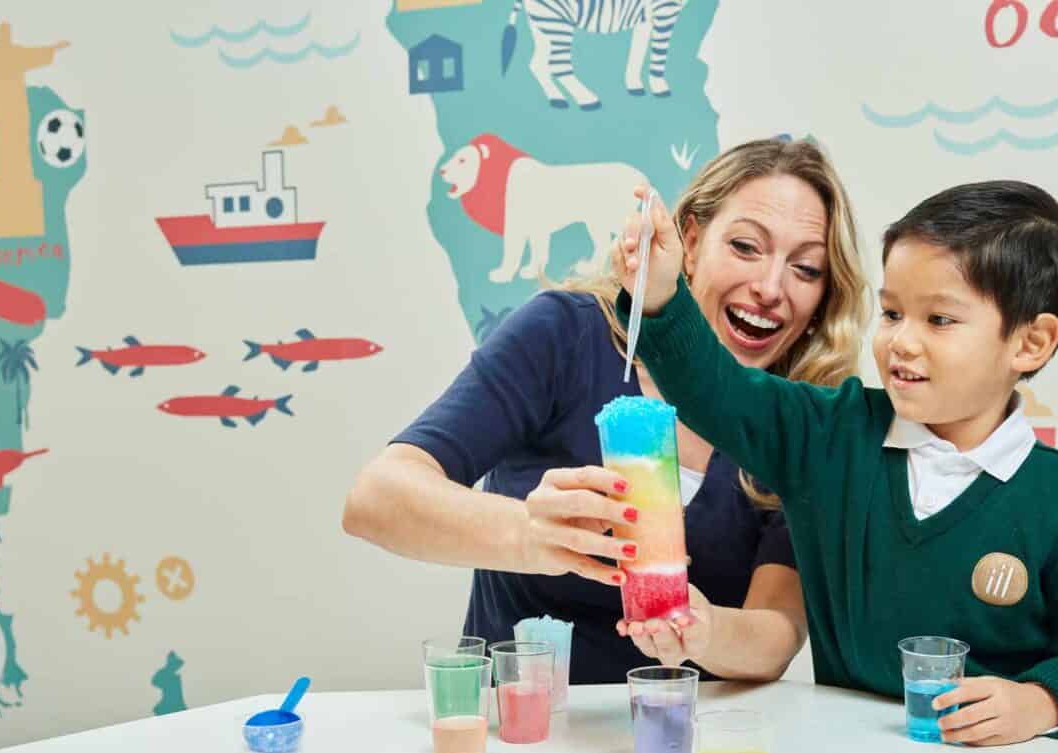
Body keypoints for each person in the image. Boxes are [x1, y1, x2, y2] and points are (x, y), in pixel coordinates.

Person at [615, 179, 1058, 743]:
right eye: (892, 313)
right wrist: (660, 296)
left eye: (939, 320)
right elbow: (716, 390)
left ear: (1030, 343)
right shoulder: (827, 434)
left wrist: (1040, 701)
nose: (901, 342)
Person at [343, 138, 869, 683]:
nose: (770, 288)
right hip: (524, 721)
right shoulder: (565, 336)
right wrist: (530, 533)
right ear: (689, 243)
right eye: (745, 247)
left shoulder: (802, 421)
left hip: (684, 727)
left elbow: (777, 632)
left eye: (806, 269)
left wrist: (706, 629)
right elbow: (376, 498)